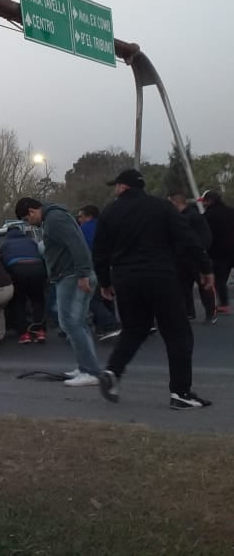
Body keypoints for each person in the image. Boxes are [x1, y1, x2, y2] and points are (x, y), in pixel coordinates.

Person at [94, 169, 215, 409]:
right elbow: (187, 238)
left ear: (124, 187)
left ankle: (113, 371)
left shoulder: (109, 212)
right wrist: (205, 267)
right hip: (160, 275)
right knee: (177, 332)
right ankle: (181, 392)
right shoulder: (161, 207)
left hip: (125, 278)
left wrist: (105, 282)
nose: (115, 190)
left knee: (134, 329)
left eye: (116, 186)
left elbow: (100, 252)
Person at [15, 197, 104, 388]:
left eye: (26, 219)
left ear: (32, 211)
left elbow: (76, 244)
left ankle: (90, 371)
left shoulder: (54, 219)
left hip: (72, 275)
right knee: (77, 323)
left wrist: (82, 274)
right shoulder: (55, 217)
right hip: (72, 274)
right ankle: (86, 367)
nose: (27, 223)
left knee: (70, 323)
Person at [167, 191, 215, 322]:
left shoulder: (192, 217)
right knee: (184, 287)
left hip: (194, 257)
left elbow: (205, 237)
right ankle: (189, 312)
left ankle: (210, 313)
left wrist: (201, 252)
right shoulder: (181, 217)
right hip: (182, 258)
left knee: (204, 286)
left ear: (175, 202)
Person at [77, 205, 122, 341]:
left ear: (88, 216)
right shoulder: (107, 226)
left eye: (80, 216)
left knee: (92, 299)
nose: (79, 219)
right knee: (107, 295)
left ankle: (111, 325)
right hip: (111, 266)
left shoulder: (82, 230)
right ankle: (104, 327)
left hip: (93, 266)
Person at [0, 226, 48, 344]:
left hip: (17, 269)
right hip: (38, 269)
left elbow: (1, 262)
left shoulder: (5, 244)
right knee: (38, 300)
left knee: (19, 302)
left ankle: (24, 334)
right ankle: (39, 331)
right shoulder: (31, 241)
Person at [201, 189, 234, 315]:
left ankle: (224, 304)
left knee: (219, 278)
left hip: (220, 252)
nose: (203, 204)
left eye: (204, 201)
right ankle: (223, 303)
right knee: (222, 278)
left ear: (209, 201)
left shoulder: (209, 215)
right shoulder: (231, 211)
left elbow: (205, 233)